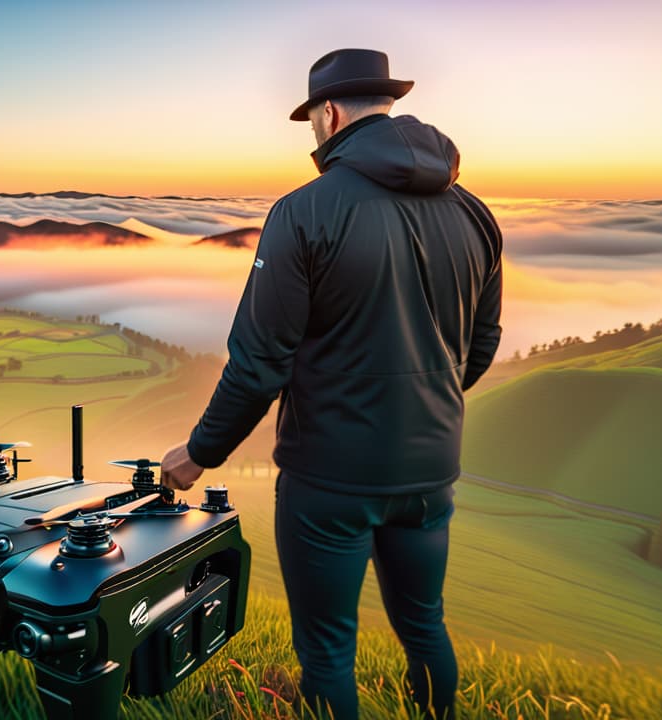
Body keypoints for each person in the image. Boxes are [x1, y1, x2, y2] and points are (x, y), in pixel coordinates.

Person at [159, 48, 503, 720]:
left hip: (329, 480)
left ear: (331, 113)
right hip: (430, 471)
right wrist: (425, 405)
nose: (314, 131)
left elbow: (260, 362)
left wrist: (199, 454)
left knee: (327, 653)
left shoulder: (303, 212)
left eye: (312, 118)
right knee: (425, 626)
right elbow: (480, 343)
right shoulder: (476, 214)